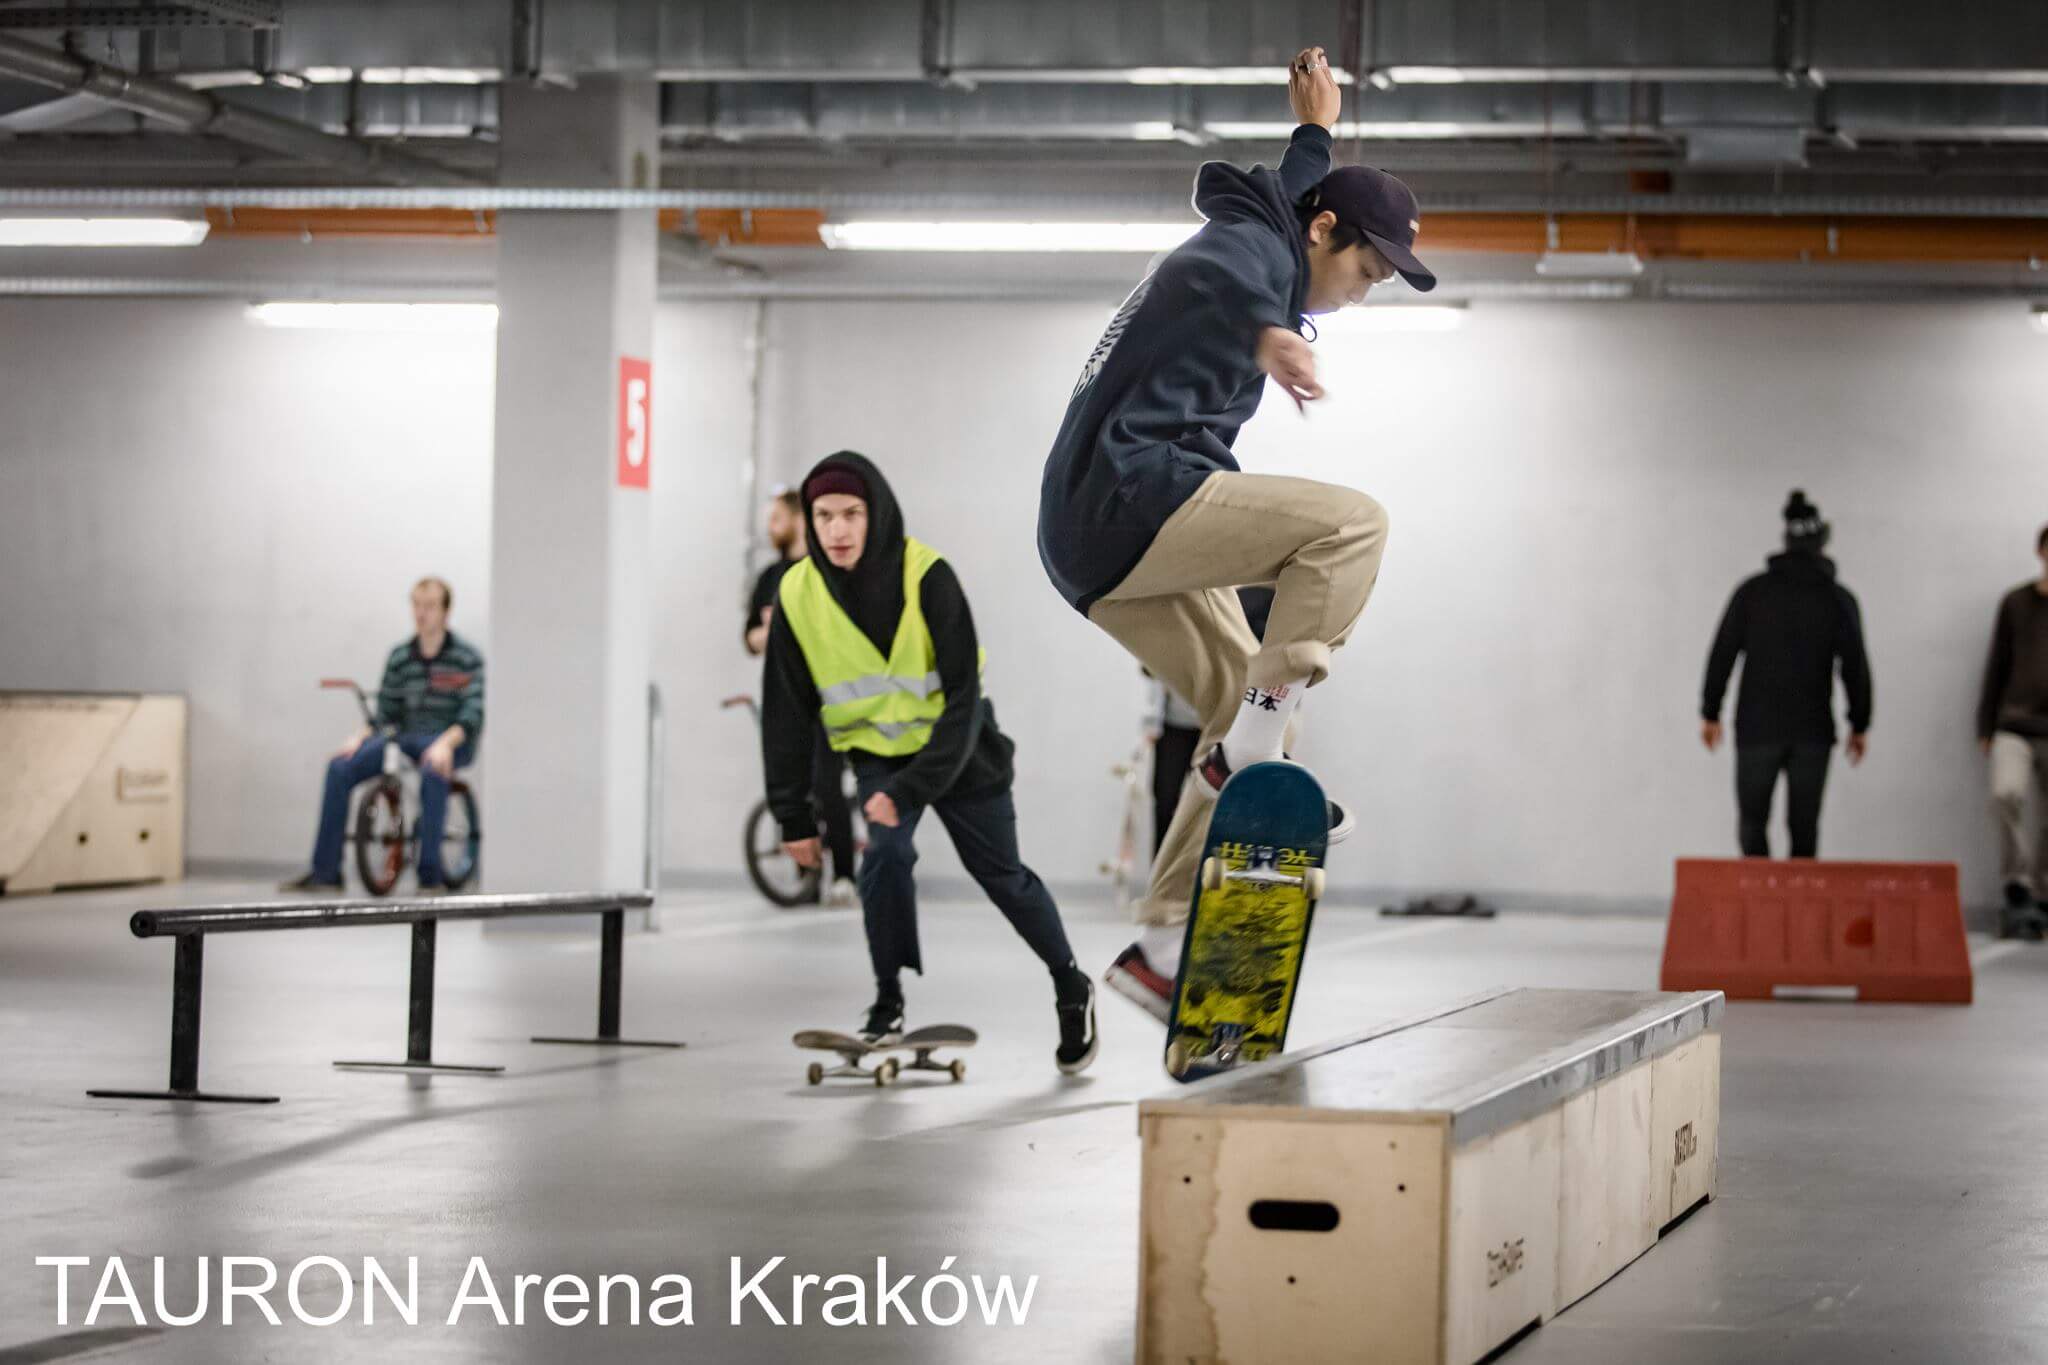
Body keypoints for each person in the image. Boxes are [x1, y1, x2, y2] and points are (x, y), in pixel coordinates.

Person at [1036, 45, 1422, 1019]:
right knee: (1351, 526)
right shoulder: (1252, 254)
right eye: (1365, 269)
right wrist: (1266, 328)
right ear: (1324, 232)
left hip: (1086, 540)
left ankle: (1162, 941)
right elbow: (1212, 269)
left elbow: (1292, 186)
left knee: (1242, 702)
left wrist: (1315, 127)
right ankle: (1250, 747)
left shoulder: (1279, 223)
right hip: (1130, 494)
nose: (1361, 290)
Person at [761, 452, 1098, 1073]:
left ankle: (1070, 982)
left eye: (852, 514)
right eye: (824, 516)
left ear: (877, 514)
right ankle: (887, 999)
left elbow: (963, 700)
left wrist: (912, 788)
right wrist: (793, 815)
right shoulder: (797, 593)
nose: (837, 530)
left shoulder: (928, 577)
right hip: (879, 758)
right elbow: (785, 713)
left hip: (961, 752)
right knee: (884, 857)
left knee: (1003, 876)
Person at [281, 577, 484, 893]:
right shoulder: (400, 657)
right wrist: (360, 737)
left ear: (446, 612)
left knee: (433, 772)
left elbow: (473, 713)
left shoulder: (466, 658)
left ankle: (430, 876)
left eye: (430, 606)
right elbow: (385, 714)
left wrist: (445, 744)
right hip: (403, 737)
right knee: (340, 767)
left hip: (447, 740)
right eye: (417, 605)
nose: (421, 613)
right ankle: (326, 872)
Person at [1699, 491, 1872, 860]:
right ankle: (1799, 895)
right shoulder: (1837, 599)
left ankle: (1758, 891)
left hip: (1757, 727)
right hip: (1812, 730)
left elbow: (1723, 652)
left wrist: (1711, 711)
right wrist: (1859, 723)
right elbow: (1855, 667)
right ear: (1822, 543)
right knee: (1804, 829)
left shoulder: (1753, 593)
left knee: (1752, 823)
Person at [745, 488, 857, 907]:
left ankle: (844, 876)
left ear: (797, 520)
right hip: (786, 699)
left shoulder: (825, 572)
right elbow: (751, 639)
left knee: (827, 784)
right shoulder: (768, 580)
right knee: (794, 786)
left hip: (830, 697)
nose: (770, 527)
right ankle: (806, 877)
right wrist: (773, 631)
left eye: (777, 519)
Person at [1978, 523, 2048, 938]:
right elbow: (1997, 664)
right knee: (2006, 793)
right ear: (2041, 552)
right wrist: (1985, 723)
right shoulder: (2016, 603)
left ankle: (2044, 890)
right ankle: (2018, 886)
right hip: (2015, 724)